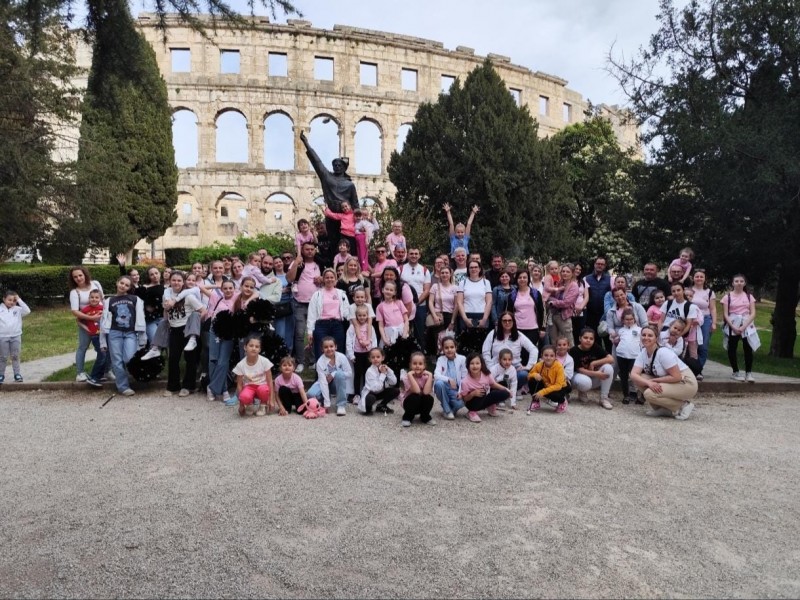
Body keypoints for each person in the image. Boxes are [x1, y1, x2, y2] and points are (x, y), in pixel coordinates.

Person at [300, 130, 358, 251]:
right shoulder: (327, 177)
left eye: (339, 165)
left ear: (344, 167)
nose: (337, 167)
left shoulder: (349, 185)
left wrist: (359, 221)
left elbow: (355, 204)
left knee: (347, 243)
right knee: (333, 242)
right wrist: (306, 144)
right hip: (331, 215)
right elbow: (317, 162)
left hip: (346, 218)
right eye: (335, 165)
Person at [631, 325, 698, 420]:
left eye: (650, 335)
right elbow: (633, 374)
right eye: (644, 335)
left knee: (649, 394)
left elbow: (677, 377)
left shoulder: (663, 353)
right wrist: (649, 383)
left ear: (656, 338)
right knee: (639, 379)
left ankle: (684, 405)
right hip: (670, 380)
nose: (646, 338)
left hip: (686, 382)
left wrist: (653, 381)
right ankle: (664, 409)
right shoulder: (643, 353)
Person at [98, 276, 146, 397]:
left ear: (129, 288)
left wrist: (142, 337)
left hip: (130, 333)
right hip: (114, 333)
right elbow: (104, 321)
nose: (123, 286)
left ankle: (130, 378)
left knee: (129, 358)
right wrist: (103, 341)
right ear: (117, 282)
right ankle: (123, 387)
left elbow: (140, 318)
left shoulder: (135, 299)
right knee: (117, 361)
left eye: (126, 285)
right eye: (121, 283)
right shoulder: (109, 301)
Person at [163, 271, 205, 397]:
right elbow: (165, 311)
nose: (176, 283)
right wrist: (166, 322)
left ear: (183, 282)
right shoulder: (167, 295)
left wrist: (195, 325)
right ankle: (173, 386)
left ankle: (188, 386)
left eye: (179, 280)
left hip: (187, 330)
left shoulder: (189, 296)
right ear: (170, 281)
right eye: (174, 280)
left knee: (190, 359)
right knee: (173, 359)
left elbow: (203, 311)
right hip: (174, 330)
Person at [287, 241, 322, 372]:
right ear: (302, 250)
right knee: (300, 333)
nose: (310, 251)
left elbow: (329, 279)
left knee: (315, 333)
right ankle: (301, 361)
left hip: (315, 303)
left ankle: (314, 360)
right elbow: (289, 279)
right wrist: (296, 263)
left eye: (312, 249)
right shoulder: (297, 262)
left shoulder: (319, 263)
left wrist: (322, 279)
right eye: (307, 249)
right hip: (299, 302)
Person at [482, 311, 538, 394]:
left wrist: (528, 366)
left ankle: (511, 391)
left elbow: (533, 349)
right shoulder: (493, 333)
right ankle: (501, 391)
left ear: (513, 322)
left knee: (524, 375)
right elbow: (485, 351)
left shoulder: (519, 335)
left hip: (514, 370)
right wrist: (490, 367)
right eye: (504, 320)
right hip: (496, 370)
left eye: (509, 320)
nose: (507, 323)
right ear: (500, 322)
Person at [721, 274, 759, 382]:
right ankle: (735, 371)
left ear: (745, 283)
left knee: (748, 348)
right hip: (733, 323)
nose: (739, 283)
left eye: (741, 281)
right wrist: (733, 326)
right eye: (736, 281)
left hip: (746, 324)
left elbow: (753, 313)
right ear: (732, 283)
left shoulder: (749, 297)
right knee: (732, 347)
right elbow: (725, 314)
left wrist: (744, 326)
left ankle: (748, 373)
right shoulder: (727, 297)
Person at [69, 266, 105, 382]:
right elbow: (75, 311)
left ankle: (106, 371)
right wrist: (91, 318)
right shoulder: (74, 292)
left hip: (101, 322)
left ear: (85, 274)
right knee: (83, 347)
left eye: (80, 275)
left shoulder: (96, 284)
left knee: (105, 348)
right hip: (86, 322)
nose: (78, 278)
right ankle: (80, 373)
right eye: (75, 277)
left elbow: (103, 300)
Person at [205, 280, 238, 402]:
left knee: (223, 361)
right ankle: (223, 389)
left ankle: (212, 387)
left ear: (234, 289)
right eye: (225, 288)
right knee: (213, 359)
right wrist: (216, 286)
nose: (228, 290)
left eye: (230, 288)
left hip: (229, 333)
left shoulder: (238, 299)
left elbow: (255, 293)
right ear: (222, 289)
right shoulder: (216, 297)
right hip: (215, 331)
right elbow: (201, 287)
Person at [233, 335, 282, 417]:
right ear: (245, 347)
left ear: (259, 349)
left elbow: (270, 381)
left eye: (257, 346)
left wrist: (271, 400)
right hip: (249, 387)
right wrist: (241, 404)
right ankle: (249, 405)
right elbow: (239, 385)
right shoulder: (240, 365)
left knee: (263, 389)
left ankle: (263, 405)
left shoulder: (265, 361)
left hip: (262, 386)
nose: (254, 348)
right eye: (251, 346)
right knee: (244, 396)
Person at [307, 268, 349, 361]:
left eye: (332, 277)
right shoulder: (317, 294)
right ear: (323, 279)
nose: (329, 279)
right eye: (327, 277)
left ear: (335, 279)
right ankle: (321, 370)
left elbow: (346, 311)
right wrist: (310, 331)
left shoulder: (341, 293)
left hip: (337, 325)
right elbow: (311, 314)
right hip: (321, 325)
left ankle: (338, 370)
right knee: (321, 350)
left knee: (338, 351)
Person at [457, 353, 511, 423]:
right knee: (481, 392)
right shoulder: (465, 381)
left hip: (483, 396)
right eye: (472, 363)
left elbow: (493, 384)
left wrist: (507, 390)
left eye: (477, 363)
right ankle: (471, 412)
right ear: (468, 366)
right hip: (472, 402)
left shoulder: (486, 374)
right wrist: (473, 393)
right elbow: (464, 399)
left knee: (504, 391)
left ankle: (490, 406)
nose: (475, 366)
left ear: (481, 364)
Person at [569, 328, 615, 409]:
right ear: (580, 338)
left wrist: (593, 363)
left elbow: (611, 359)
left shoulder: (595, 347)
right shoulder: (574, 350)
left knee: (608, 368)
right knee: (585, 382)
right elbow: (580, 369)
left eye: (591, 338)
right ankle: (582, 391)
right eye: (585, 338)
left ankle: (604, 398)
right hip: (579, 377)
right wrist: (596, 374)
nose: (588, 340)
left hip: (592, 376)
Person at [307, 336, 353, 415]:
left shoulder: (342, 357)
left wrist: (333, 374)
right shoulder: (320, 362)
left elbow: (349, 373)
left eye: (331, 346)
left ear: (336, 347)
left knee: (339, 374)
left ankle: (341, 405)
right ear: (322, 349)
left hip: (337, 384)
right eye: (326, 347)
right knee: (311, 394)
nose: (329, 349)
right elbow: (323, 382)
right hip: (324, 383)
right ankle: (322, 400)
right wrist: (327, 404)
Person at [400, 248, 431, 350]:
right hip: (404, 307)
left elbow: (426, 290)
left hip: (420, 305)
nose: (414, 256)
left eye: (416, 254)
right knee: (404, 330)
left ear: (419, 255)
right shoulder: (400, 269)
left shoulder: (424, 270)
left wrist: (416, 303)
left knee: (419, 331)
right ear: (407, 255)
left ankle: (420, 352)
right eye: (411, 253)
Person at [346, 304, 377, 408]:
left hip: (367, 354)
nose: (362, 317)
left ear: (367, 316)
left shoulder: (370, 327)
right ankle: (357, 394)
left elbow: (374, 340)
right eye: (359, 315)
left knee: (366, 374)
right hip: (357, 354)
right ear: (356, 316)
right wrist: (351, 355)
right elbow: (349, 341)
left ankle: (365, 393)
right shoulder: (352, 327)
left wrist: (373, 354)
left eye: (364, 315)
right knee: (358, 374)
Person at [527, 345, 570, 413]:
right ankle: (535, 402)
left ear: (555, 356)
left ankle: (562, 401)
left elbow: (558, 386)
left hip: (560, 387)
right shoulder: (539, 365)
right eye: (546, 355)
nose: (548, 358)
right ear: (542, 356)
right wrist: (535, 375)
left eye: (551, 356)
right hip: (547, 385)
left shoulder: (559, 367)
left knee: (555, 395)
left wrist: (542, 392)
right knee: (532, 380)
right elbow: (529, 375)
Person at [690, 269, 717, 376]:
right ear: (693, 278)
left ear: (705, 279)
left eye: (701, 276)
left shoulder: (709, 292)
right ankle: (690, 369)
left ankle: (698, 369)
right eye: (697, 276)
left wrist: (714, 323)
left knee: (703, 346)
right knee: (692, 345)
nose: (699, 278)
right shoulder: (688, 290)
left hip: (705, 320)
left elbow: (713, 308)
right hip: (691, 320)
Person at [613, 309, 643, 405]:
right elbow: (617, 340)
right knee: (624, 376)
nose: (629, 321)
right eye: (627, 319)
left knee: (635, 376)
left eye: (631, 319)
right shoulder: (621, 330)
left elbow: (642, 343)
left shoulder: (640, 330)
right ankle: (626, 395)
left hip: (635, 356)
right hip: (621, 355)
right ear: (623, 320)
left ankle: (638, 395)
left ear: (634, 319)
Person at [433, 336, 467, 420]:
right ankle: (448, 411)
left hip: (455, 389)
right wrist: (449, 379)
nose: (449, 350)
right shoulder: (441, 359)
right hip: (443, 388)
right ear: (443, 349)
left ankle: (448, 408)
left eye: (452, 347)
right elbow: (436, 375)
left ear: (456, 347)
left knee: (460, 403)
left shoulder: (462, 359)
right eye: (446, 348)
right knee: (439, 383)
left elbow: (464, 378)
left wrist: (460, 392)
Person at [0, 290, 30, 383]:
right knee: (3, 357)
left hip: (15, 336)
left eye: (14, 300)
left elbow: (27, 311)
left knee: (15, 356)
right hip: (3, 336)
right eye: (9, 300)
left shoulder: (18, 309)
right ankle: (1, 374)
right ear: (4, 299)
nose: (12, 302)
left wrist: (19, 299)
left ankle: (17, 374)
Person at [546, 264, 581, 346]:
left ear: (572, 273)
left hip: (564, 317)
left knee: (568, 342)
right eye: (563, 271)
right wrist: (552, 300)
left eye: (568, 272)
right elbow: (550, 296)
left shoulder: (574, 286)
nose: (565, 273)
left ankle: (571, 355)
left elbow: (566, 303)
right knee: (554, 342)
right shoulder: (559, 283)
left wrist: (553, 302)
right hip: (553, 315)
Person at [399, 352, 436, 427]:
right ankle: (407, 417)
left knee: (429, 398)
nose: (417, 366)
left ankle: (425, 416)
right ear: (410, 365)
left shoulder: (426, 377)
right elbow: (417, 391)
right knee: (415, 396)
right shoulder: (406, 377)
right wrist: (410, 375)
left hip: (420, 405)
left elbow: (426, 392)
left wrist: (430, 375)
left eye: (420, 364)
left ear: (424, 365)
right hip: (409, 404)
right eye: (414, 363)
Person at [360, 347, 399, 415]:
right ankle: (367, 408)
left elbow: (394, 382)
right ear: (369, 359)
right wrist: (383, 374)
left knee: (396, 391)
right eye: (373, 357)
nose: (375, 359)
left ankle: (381, 406)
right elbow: (375, 388)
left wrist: (388, 371)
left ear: (382, 358)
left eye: (378, 357)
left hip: (380, 392)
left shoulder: (384, 368)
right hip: (371, 393)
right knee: (370, 398)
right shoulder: (369, 371)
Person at [456, 259, 492, 332]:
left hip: (482, 315)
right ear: (468, 269)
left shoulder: (486, 282)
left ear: (480, 269)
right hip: (466, 315)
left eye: (476, 267)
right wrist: (465, 319)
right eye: (471, 267)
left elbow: (489, 302)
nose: (473, 269)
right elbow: (459, 302)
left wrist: (484, 319)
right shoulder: (463, 283)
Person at [82, 290, 109, 388]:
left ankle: (99, 375)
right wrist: (88, 329)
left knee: (105, 355)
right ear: (89, 298)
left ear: (100, 299)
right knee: (102, 355)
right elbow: (79, 321)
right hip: (95, 336)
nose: (94, 299)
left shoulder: (103, 308)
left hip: (104, 335)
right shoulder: (85, 310)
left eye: (97, 297)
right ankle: (94, 377)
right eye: (92, 297)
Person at [427, 266, 457, 353]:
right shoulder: (435, 286)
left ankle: (449, 355)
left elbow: (456, 305)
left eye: (446, 273)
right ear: (440, 274)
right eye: (442, 273)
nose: (444, 275)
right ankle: (438, 356)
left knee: (449, 339)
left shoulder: (455, 288)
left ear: (450, 274)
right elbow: (430, 302)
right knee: (438, 339)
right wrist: (434, 316)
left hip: (450, 315)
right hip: (438, 315)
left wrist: (452, 321)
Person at [512, 271, 545, 349]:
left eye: (524, 277)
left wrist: (542, 328)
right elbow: (508, 312)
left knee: (531, 351)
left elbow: (542, 311)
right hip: (517, 328)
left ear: (528, 279)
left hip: (533, 328)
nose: (522, 279)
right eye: (520, 277)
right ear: (516, 279)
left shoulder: (535, 293)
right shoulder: (512, 294)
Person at [583, 256, 611, 341]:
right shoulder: (586, 279)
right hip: (591, 315)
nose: (600, 265)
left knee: (607, 339)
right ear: (594, 265)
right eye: (598, 264)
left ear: (605, 266)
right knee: (593, 338)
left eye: (602, 264)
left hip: (605, 314)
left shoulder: (610, 279)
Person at [271, 253, 294, 355]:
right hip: (279, 306)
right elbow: (270, 293)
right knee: (280, 332)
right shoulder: (272, 278)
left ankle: (289, 354)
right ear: (273, 265)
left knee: (290, 332)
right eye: (276, 263)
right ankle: (280, 355)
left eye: (280, 261)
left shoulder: (289, 275)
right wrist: (282, 290)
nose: (279, 264)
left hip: (290, 305)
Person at [376, 281, 409, 347]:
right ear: (382, 290)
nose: (388, 291)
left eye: (391, 290)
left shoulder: (399, 303)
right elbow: (381, 326)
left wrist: (405, 333)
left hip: (402, 332)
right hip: (389, 333)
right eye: (387, 289)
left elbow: (406, 320)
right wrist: (384, 339)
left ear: (394, 292)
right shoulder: (380, 307)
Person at [138, 267, 164, 344]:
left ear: (160, 274)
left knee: (164, 344)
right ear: (149, 277)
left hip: (163, 319)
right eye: (152, 274)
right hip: (150, 320)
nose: (155, 276)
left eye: (156, 273)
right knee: (154, 342)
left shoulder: (166, 288)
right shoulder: (144, 288)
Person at [354, 208, 379, 272]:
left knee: (363, 255)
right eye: (362, 214)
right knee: (360, 255)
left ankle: (364, 269)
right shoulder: (358, 222)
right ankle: (363, 269)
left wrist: (373, 219)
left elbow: (376, 227)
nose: (363, 216)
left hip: (364, 239)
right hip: (358, 239)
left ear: (367, 215)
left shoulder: (367, 223)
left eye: (365, 215)